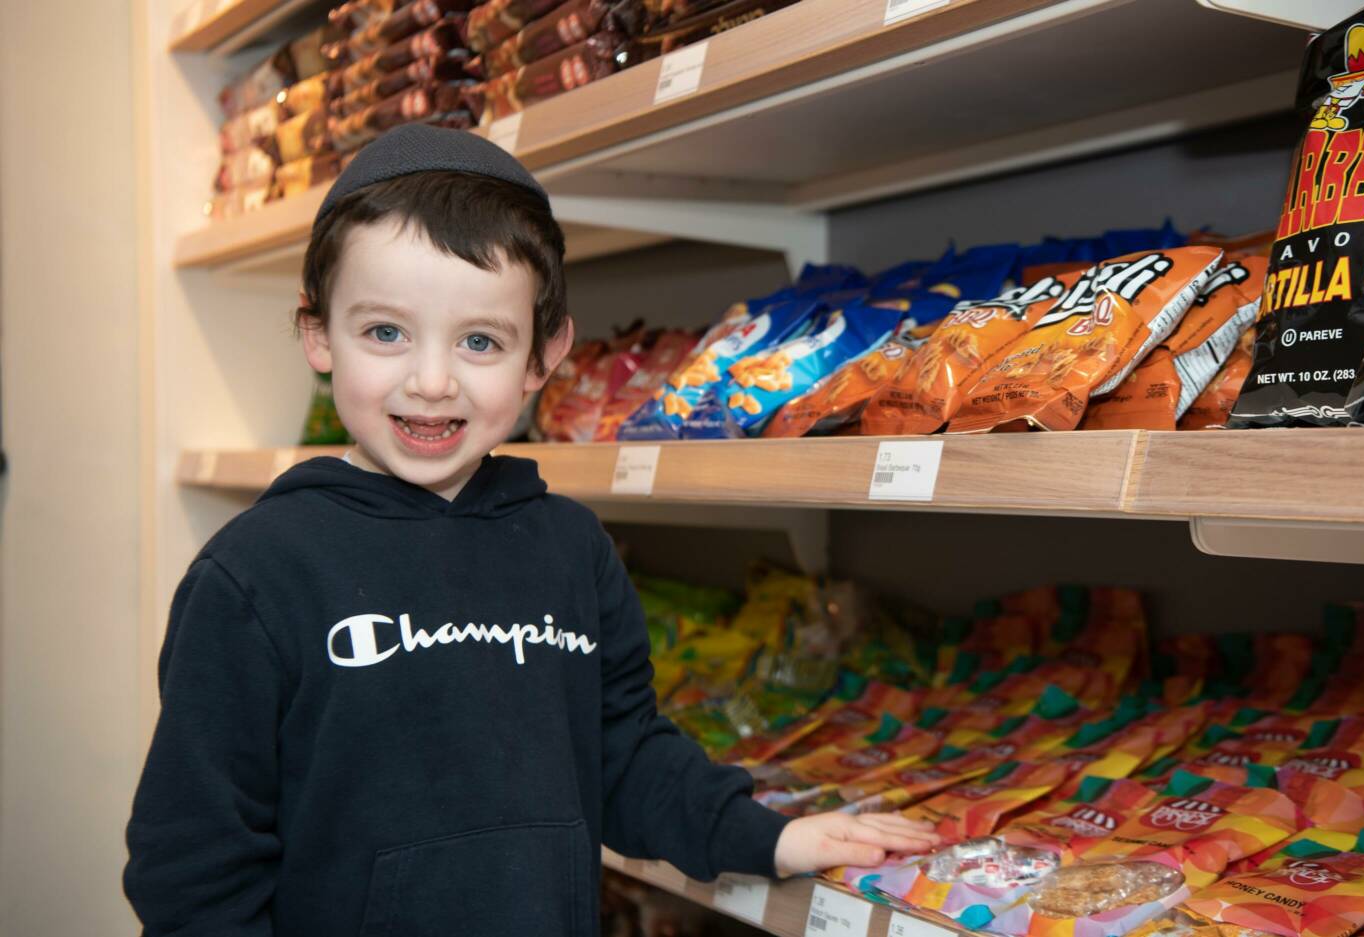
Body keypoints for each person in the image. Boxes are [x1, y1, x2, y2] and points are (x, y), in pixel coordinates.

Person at [123, 124, 939, 936]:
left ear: (542, 358)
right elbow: (191, 863)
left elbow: (621, 754)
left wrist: (771, 834)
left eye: (480, 340)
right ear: (317, 335)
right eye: (385, 332)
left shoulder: (572, 551)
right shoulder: (255, 575)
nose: (432, 380)